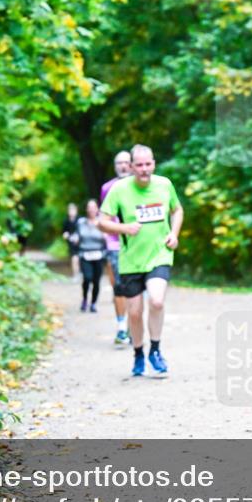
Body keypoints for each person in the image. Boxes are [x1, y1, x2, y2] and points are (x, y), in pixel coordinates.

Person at [99, 144, 183, 378]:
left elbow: (177, 210)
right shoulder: (119, 190)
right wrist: (124, 227)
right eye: (139, 165)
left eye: (148, 164)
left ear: (153, 164)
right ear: (131, 166)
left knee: (156, 301)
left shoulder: (164, 184)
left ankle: (155, 351)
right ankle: (138, 353)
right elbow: (102, 221)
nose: (144, 169)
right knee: (134, 313)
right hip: (131, 260)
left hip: (160, 254)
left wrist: (174, 234)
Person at [100, 151, 133, 344]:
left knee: (135, 288)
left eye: (126, 163)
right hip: (114, 244)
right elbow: (104, 216)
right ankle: (122, 327)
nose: (122, 166)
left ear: (131, 165)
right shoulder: (107, 188)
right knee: (119, 286)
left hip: (136, 244)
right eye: (119, 163)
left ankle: (132, 326)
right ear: (115, 166)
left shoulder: (140, 186)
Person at [76, 199, 107, 312]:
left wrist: (106, 237)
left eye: (94, 207)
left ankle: (93, 303)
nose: (92, 209)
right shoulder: (81, 222)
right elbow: (77, 236)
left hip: (99, 255)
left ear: (97, 209)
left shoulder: (102, 223)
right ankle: (84, 299)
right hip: (85, 254)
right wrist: (74, 239)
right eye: (89, 207)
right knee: (87, 278)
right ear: (86, 209)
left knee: (96, 281)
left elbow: (108, 239)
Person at [61, 203, 80, 284]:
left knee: (80, 259)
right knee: (74, 259)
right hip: (71, 243)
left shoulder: (80, 220)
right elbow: (64, 232)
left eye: (73, 210)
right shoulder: (66, 221)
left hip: (80, 243)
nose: (71, 212)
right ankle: (76, 274)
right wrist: (65, 235)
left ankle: (80, 273)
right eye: (70, 210)